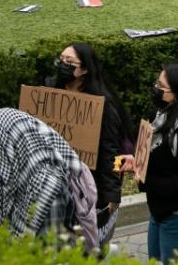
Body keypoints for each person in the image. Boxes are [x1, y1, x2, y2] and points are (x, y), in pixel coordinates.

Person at [118, 64, 178, 263]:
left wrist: (147, 182)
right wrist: (138, 162)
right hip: (163, 211)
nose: (156, 88)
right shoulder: (163, 115)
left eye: (161, 86)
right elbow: (162, 157)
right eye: (157, 82)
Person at [0, 108, 99, 251]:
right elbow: (16, 211)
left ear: (9, 145)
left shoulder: (49, 187)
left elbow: (49, 251)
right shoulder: (23, 175)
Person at [45, 42, 133, 246]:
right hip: (55, 183)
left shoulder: (102, 104)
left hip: (86, 184)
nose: (62, 64)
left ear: (84, 69)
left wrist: (112, 193)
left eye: (70, 62)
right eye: (61, 59)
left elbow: (112, 153)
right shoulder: (49, 90)